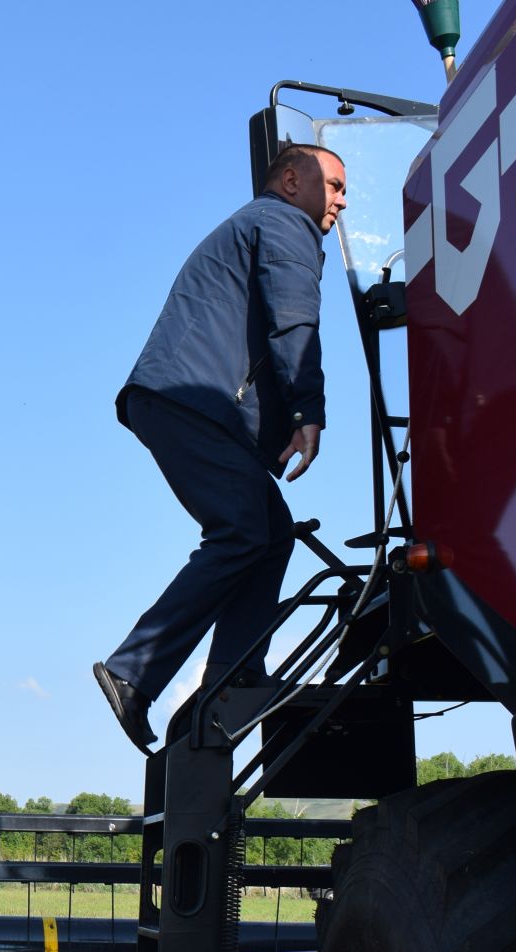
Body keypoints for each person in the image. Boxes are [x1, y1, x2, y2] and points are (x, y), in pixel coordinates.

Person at [93, 143, 347, 752]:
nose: (341, 200)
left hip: (190, 403)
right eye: (335, 185)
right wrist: (307, 411)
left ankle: (236, 675)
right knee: (240, 530)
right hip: (191, 402)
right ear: (291, 180)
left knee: (271, 532)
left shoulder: (258, 224)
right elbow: (294, 322)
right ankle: (134, 669)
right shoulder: (286, 224)